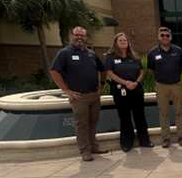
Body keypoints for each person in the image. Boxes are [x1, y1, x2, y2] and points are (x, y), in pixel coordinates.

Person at [50, 26, 110, 161]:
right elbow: (54, 71)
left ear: (86, 37)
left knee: (93, 123)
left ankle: (93, 146)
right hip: (79, 96)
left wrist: (102, 84)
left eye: (82, 35)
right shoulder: (64, 53)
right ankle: (85, 151)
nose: (79, 38)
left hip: (94, 94)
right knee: (82, 124)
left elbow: (103, 69)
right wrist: (66, 90)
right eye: (77, 35)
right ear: (72, 36)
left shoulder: (91, 54)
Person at [106, 32, 152, 152]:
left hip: (136, 89)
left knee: (140, 116)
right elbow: (110, 73)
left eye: (125, 40)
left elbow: (141, 71)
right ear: (116, 43)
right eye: (120, 40)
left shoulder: (134, 55)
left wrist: (136, 82)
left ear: (128, 42)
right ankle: (127, 143)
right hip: (120, 90)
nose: (123, 42)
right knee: (125, 117)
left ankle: (145, 140)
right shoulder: (111, 56)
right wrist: (125, 82)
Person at [147, 27, 182, 148]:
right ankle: (166, 138)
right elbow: (151, 69)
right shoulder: (152, 52)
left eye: (167, 35)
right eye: (162, 35)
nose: (165, 37)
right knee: (163, 113)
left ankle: (181, 136)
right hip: (161, 86)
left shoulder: (178, 51)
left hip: (176, 85)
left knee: (179, 112)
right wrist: (161, 77)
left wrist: (174, 75)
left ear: (171, 37)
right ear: (158, 37)